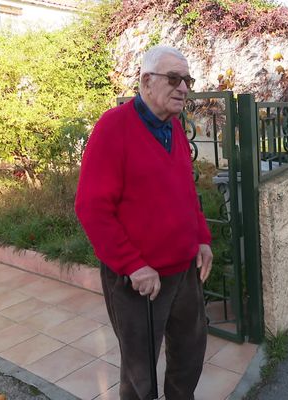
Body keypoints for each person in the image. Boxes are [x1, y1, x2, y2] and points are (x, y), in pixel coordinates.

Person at [75, 45, 212, 399]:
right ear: (146, 82)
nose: (183, 87)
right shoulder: (113, 127)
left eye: (187, 80)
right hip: (139, 282)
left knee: (189, 355)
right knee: (140, 376)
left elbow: (185, 191)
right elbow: (91, 207)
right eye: (174, 78)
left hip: (184, 272)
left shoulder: (174, 128)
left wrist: (202, 238)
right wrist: (133, 265)